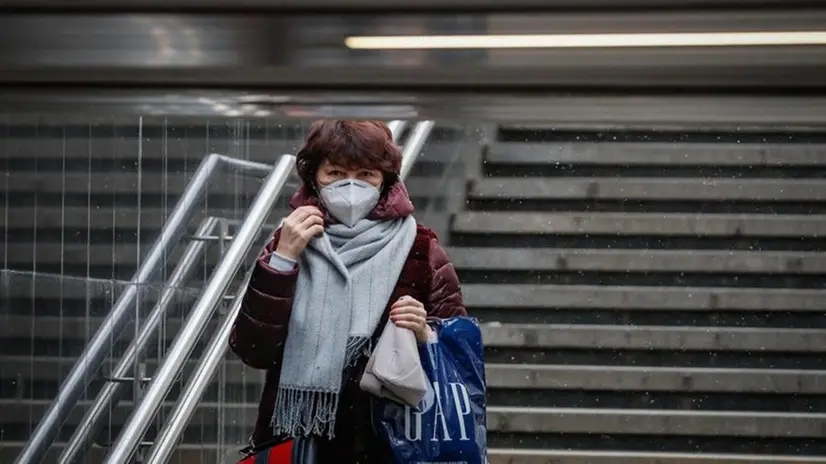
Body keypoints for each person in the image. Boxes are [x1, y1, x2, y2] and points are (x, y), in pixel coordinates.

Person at [229, 120, 467, 463]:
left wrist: (426, 332)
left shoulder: (419, 246)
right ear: (314, 177)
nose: (351, 187)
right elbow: (254, 349)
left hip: (394, 438)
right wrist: (283, 259)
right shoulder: (290, 240)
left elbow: (458, 351)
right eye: (336, 173)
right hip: (299, 441)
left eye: (367, 174)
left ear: (386, 179)